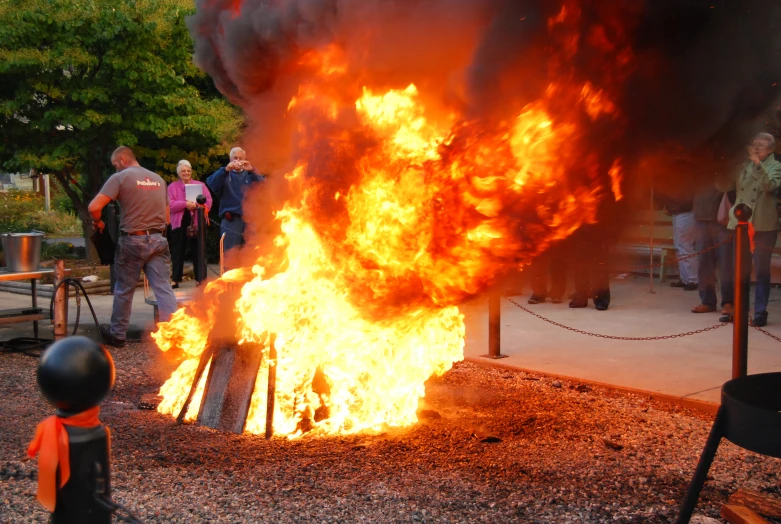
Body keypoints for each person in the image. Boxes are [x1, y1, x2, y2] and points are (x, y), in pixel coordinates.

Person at [88, 146, 177, 347]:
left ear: (123, 159)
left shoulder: (121, 178)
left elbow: (94, 207)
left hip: (132, 240)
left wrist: (98, 222)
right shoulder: (159, 180)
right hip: (158, 239)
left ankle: (118, 335)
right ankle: (173, 335)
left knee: (124, 289)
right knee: (163, 289)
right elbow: (168, 218)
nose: (115, 169)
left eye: (115, 165)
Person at [719, 132, 781, 326]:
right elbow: (723, 185)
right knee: (740, 270)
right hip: (741, 224)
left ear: (770, 149)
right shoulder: (742, 165)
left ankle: (760, 312)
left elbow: (768, 185)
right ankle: (739, 310)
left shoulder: (776, 166)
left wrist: (756, 163)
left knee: (761, 271)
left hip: (762, 225)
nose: (755, 148)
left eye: (760, 145)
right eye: (754, 144)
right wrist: (720, 167)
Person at [205, 147, 264, 254]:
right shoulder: (224, 174)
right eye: (235, 158)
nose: (237, 161)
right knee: (230, 254)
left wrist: (253, 170)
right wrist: (225, 170)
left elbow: (264, 187)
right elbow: (211, 184)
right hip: (231, 220)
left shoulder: (250, 174)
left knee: (251, 254)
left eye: (240, 158)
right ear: (230, 159)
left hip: (250, 221)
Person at [168, 160, 213, 288]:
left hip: (197, 220)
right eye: (183, 171)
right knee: (177, 251)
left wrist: (197, 205)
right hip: (179, 222)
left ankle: (201, 279)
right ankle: (175, 279)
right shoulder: (172, 187)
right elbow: (169, 205)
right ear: (179, 173)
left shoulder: (200, 185)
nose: (186, 173)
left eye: (188, 171)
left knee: (198, 250)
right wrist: (185, 204)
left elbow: (208, 201)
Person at [690, 184, 734, 314]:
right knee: (704, 265)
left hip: (722, 222)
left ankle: (728, 302)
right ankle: (707, 301)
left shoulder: (725, 167)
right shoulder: (698, 169)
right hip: (700, 219)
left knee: (726, 265)